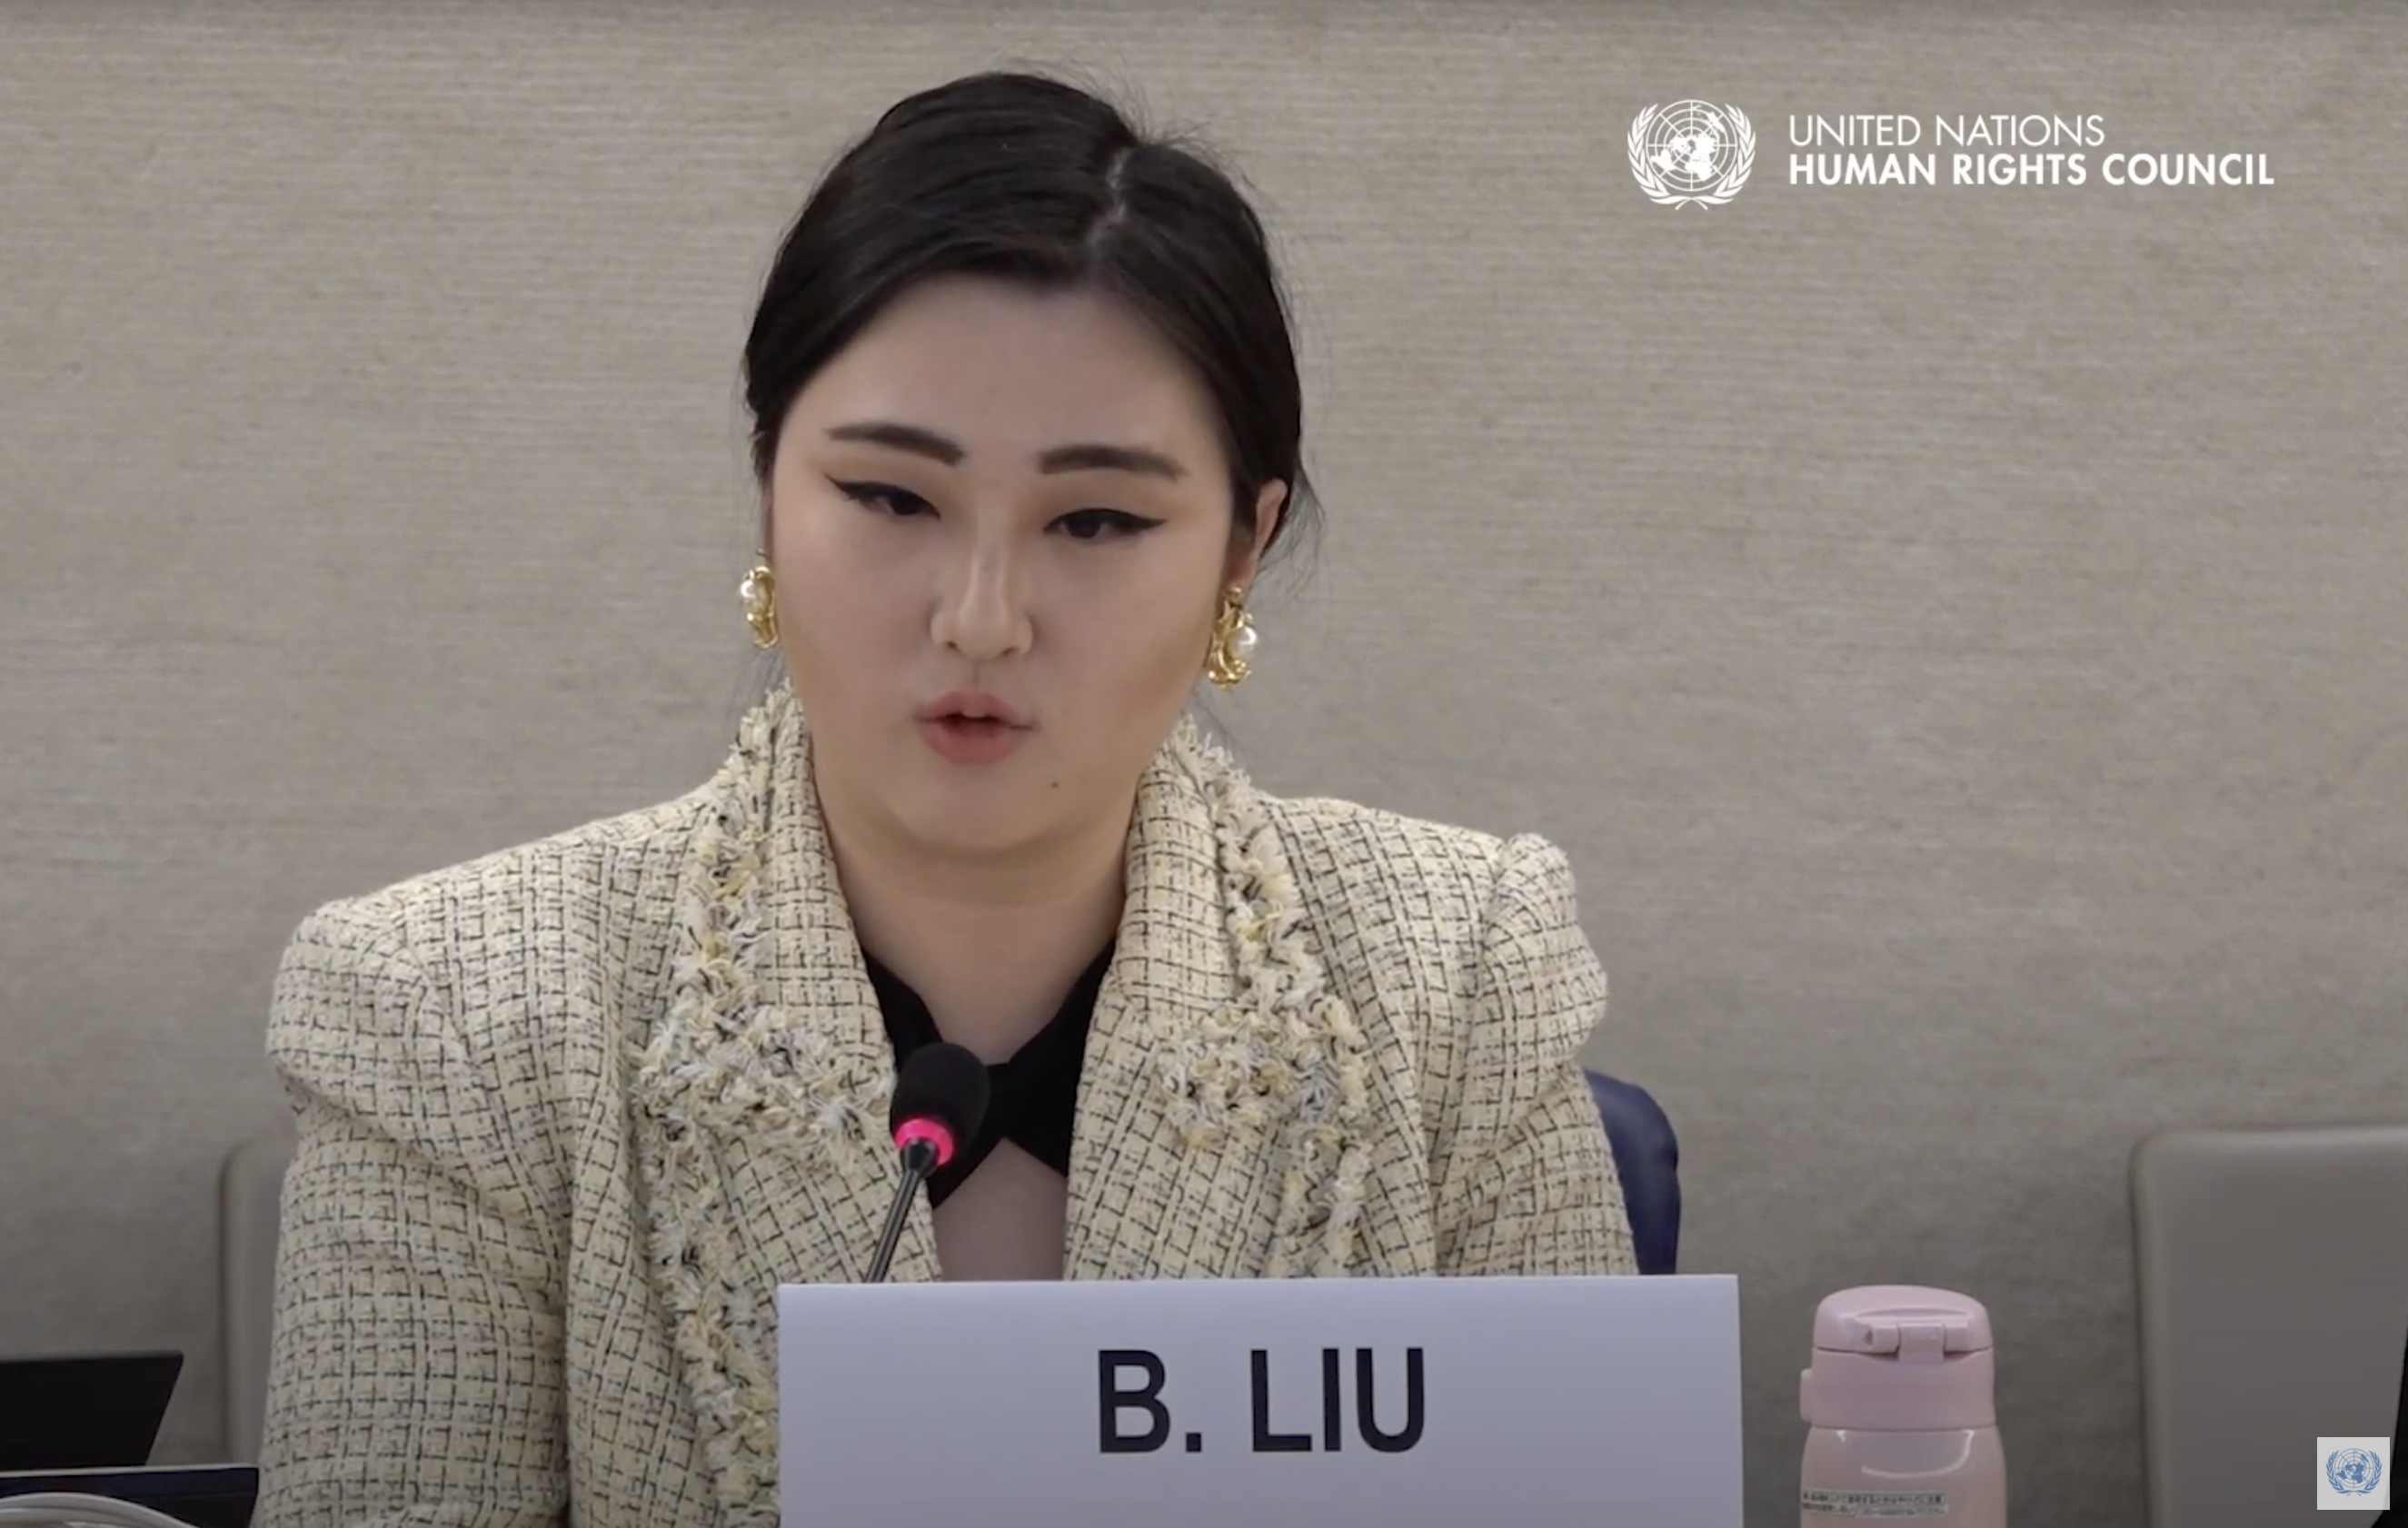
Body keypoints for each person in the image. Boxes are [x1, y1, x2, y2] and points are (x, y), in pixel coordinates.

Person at [253, 68, 1636, 1528]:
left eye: (1096, 519)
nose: (981, 618)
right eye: (893, 500)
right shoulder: (448, 1010)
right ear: (767, 489)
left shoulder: (1456, 966)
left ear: (1243, 548)